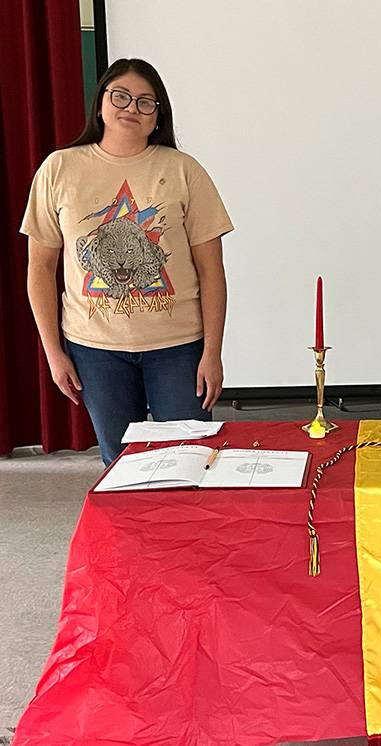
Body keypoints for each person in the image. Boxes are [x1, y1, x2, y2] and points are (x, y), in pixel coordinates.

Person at [22, 59, 233, 465]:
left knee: (189, 460)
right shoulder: (59, 169)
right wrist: (53, 351)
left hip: (178, 348)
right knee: (119, 464)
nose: (131, 108)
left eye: (145, 102)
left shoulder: (184, 170)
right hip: (94, 349)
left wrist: (212, 351)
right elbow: (39, 269)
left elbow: (212, 270)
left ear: (158, 117)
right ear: (100, 104)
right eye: (120, 96)